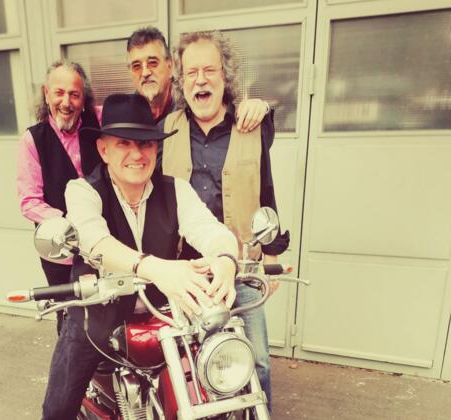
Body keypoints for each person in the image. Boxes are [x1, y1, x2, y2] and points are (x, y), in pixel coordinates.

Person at [41, 93, 240, 420]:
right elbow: (95, 242)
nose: (137, 154)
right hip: (96, 318)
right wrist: (157, 269)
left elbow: (209, 229)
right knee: (58, 409)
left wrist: (225, 260)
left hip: (165, 317)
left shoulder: (176, 189)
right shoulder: (82, 190)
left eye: (146, 144)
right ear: (104, 150)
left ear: (156, 148)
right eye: (124, 143)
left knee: (215, 388)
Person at [161, 30, 291, 412]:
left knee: (256, 360)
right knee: (189, 363)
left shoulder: (251, 124)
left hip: (243, 267)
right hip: (189, 271)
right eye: (191, 72)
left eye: (209, 70)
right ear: (181, 81)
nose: (200, 80)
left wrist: (271, 258)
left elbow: (266, 190)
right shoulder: (165, 129)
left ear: (224, 76)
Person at [16, 60, 101, 334]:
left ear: (84, 98)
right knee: (69, 321)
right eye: (59, 93)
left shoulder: (100, 121)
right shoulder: (33, 140)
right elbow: (29, 201)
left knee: (108, 314)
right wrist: (70, 223)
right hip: (61, 252)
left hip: (103, 245)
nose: (66, 102)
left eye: (74, 94)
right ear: (46, 93)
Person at [127, 26, 270, 130]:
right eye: (136, 66)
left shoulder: (191, 102)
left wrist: (258, 108)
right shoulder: (125, 115)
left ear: (170, 67)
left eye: (152, 63)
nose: (145, 72)